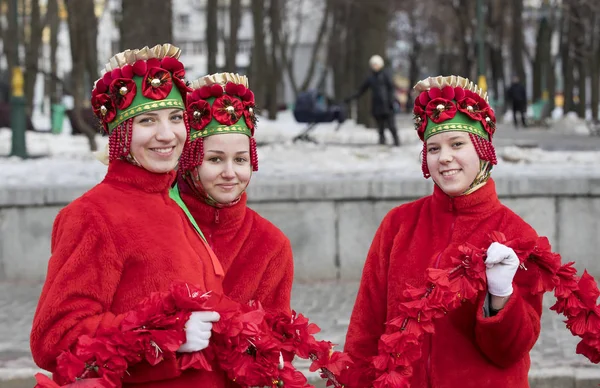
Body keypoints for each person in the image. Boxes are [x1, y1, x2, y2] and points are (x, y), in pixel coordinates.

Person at [30, 44, 229, 387]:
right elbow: (56, 336)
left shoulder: (175, 205)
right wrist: (167, 334)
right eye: (147, 121)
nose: (167, 135)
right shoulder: (93, 214)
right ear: (121, 132)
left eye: (176, 118)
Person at [344, 75, 543, 387]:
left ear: (482, 148)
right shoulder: (398, 225)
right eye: (434, 148)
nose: (445, 157)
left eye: (457, 144)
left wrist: (501, 298)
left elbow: (511, 351)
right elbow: (365, 329)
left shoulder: (517, 233)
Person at [174, 72, 294, 318]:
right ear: (189, 160)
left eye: (240, 160)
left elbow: (275, 339)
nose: (230, 173)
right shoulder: (161, 228)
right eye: (215, 159)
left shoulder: (270, 244)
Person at [345, 55, 400, 146]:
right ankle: (382, 140)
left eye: (376, 64)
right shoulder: (370, 78)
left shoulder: (386, 75)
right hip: (377, 104)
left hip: (387, 104)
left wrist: (391, 100)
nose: (374, 66)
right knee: (380, 125)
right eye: (373, 65)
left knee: (391, 125)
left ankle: (396, 140)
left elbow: (391, 89)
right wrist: (351, 98)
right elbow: (361, 90)